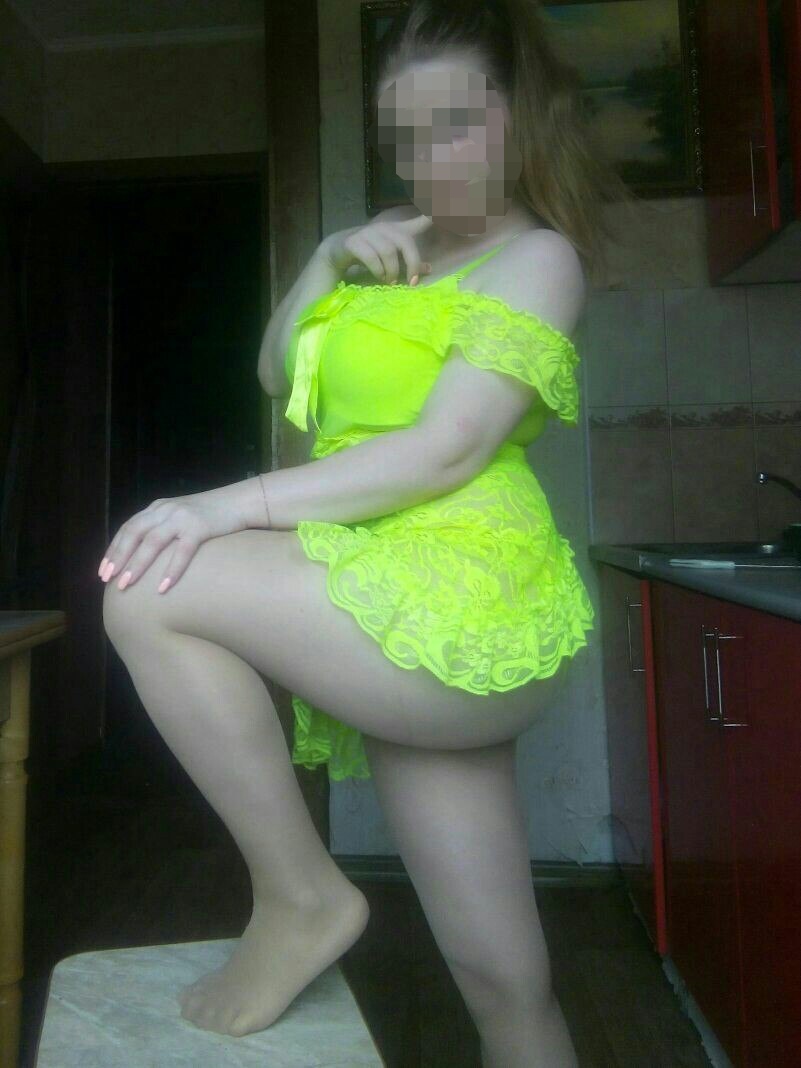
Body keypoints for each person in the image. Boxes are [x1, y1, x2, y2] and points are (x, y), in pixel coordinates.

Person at [100, 0, 629, 1063]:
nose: (431, 162)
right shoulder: (389, 239)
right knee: (504, 979)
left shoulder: (539, 260)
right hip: (372, 576)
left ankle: (298, 898)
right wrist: (328, 256)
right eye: (407, 135)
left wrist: (227, 504)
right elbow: (274, 371)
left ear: (522, 113)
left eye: (457, 125)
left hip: (461, 585)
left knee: (151, 585)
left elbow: (444, 451)